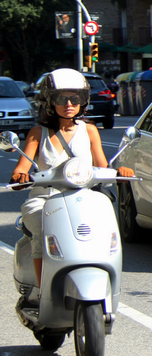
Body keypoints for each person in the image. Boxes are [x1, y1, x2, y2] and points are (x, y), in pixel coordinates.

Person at [9, 68, 134, 292]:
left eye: (75, 98)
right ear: (50, 102)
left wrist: (119, 171)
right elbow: (22, 168)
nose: (69, 103)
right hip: (45, 200)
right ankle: (43, 291)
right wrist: (20, 175)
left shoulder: (90, 130)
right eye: (61, 98)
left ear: (82, 102)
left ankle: (106, 286)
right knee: (42, 228)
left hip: (83, 198)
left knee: (104, 228)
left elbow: (102, 167)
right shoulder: (38, 133)